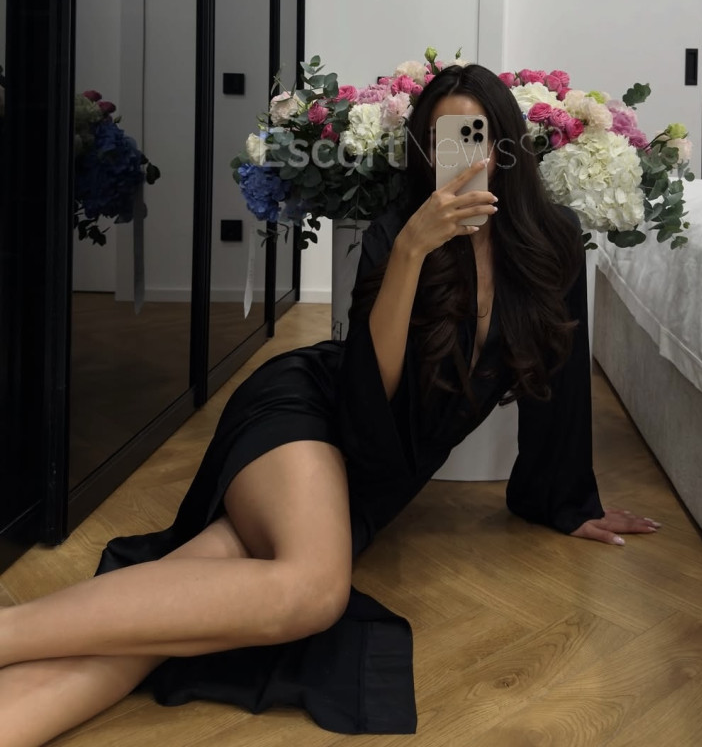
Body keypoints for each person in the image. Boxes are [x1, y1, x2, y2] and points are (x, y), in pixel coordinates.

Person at [0, 64, 660, 746]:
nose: (461, 155)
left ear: (506, 146)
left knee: (172, 616)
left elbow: (560, 380)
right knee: (312, 592)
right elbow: (371, 387)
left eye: (475, 135)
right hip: (315, 414)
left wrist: (566, 499)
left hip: (378, 474)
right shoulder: (397, 232)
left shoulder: (552, 242)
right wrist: (410, 252)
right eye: (442, 140)